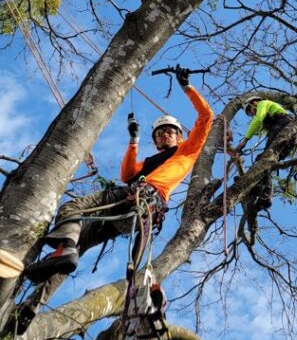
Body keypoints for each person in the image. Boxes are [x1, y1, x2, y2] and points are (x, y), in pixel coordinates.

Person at [23, 65, 213, 286]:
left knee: (72, 208)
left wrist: (187, 87)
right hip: (131, 202)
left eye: (169, 131)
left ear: (180, 135)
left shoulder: (187, 150)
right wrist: (134, 141)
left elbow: (206, 116)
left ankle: (64, 247)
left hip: (145, 199)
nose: (164, 135)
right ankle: (33, 306)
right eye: (159, 134)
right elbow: (127, 174)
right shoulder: (149, 162)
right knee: (80, 243)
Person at [233, 96, 296, 214]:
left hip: (284, 125)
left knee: (264, 158)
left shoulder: (263, 103)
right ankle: (265, 195)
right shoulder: (271, 116)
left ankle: (261, 189)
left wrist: (245, 140)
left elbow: (258, 119)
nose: (252, 114)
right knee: (265, 161)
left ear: (254, 103)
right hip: (290, 139)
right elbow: (260, 127)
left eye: (250, 111)